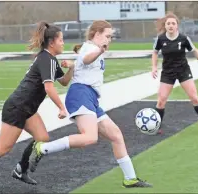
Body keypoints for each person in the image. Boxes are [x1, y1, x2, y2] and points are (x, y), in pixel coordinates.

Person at [28, 20, 152, 188]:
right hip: (81, 94)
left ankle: (130, 178)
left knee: (116, 135)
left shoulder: (92, 48)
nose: (109, 40)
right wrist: (100, 50)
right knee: (89, 137)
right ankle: (43, 148)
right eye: (107, 36)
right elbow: (86, 60)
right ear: (97, 34)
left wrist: (83, 60)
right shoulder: (91, 48)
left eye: (110, 37)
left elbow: (82, 62)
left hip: (90, 97)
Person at [0, 21, 75, 194]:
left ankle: (20, 170)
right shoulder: (47, 59)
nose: (63, 43)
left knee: (42, 138)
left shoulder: (50, 60)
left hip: (27, 108)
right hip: (17, 107)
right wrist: (61, 107)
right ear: (52, 42)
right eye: (61, 40)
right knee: (3, 148)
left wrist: (73, 67)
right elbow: (49, 87)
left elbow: (64, 82)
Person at [151, 12, 198, 134]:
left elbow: (195, 51)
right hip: (168, 72)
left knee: (194, 98)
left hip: (183, 71)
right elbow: (154, 52)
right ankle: (157, 127)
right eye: (168, 23)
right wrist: (154, 67)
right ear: (165, 25)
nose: (170, 25)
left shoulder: (184, 38)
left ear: (177, 26)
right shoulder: (160, 38)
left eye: (173, 23)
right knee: (161, 100)